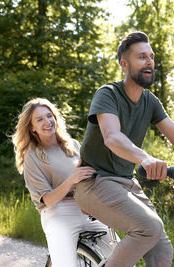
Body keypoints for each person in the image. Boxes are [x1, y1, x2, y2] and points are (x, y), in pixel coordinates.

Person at [74, 32, 174, 267]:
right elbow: (112, 136)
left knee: (161, 251)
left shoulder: (150, 101)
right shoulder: (108, 94)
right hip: (94, 182)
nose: (149, 61)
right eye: (141, 57)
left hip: (126, 184)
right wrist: (146, 158)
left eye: (151, 57)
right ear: (124, 64)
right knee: (149, 228)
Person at [11, 98, 111, 266]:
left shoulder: (73, 145)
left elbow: (89, 175)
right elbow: (48, 200)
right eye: (39, 119)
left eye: (49, 116)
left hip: (88, 208)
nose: (47, 122)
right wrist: (72, 179)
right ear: (31, 128)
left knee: (120, 257)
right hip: (58, 213)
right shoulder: (32, 157)